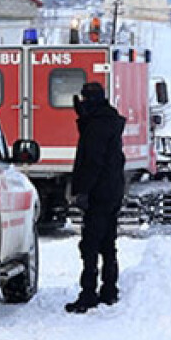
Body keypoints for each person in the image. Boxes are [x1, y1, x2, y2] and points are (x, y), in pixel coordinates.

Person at [65, 82, 127, 313]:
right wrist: (84, 121)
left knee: (90, 245)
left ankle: (89, 293)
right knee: (108, 243)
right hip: (112, 191)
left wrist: (83, 192)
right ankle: (109, 289)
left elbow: (92, 161)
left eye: (84, 99)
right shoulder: (107, 120)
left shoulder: (97, 126)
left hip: (98, 193)